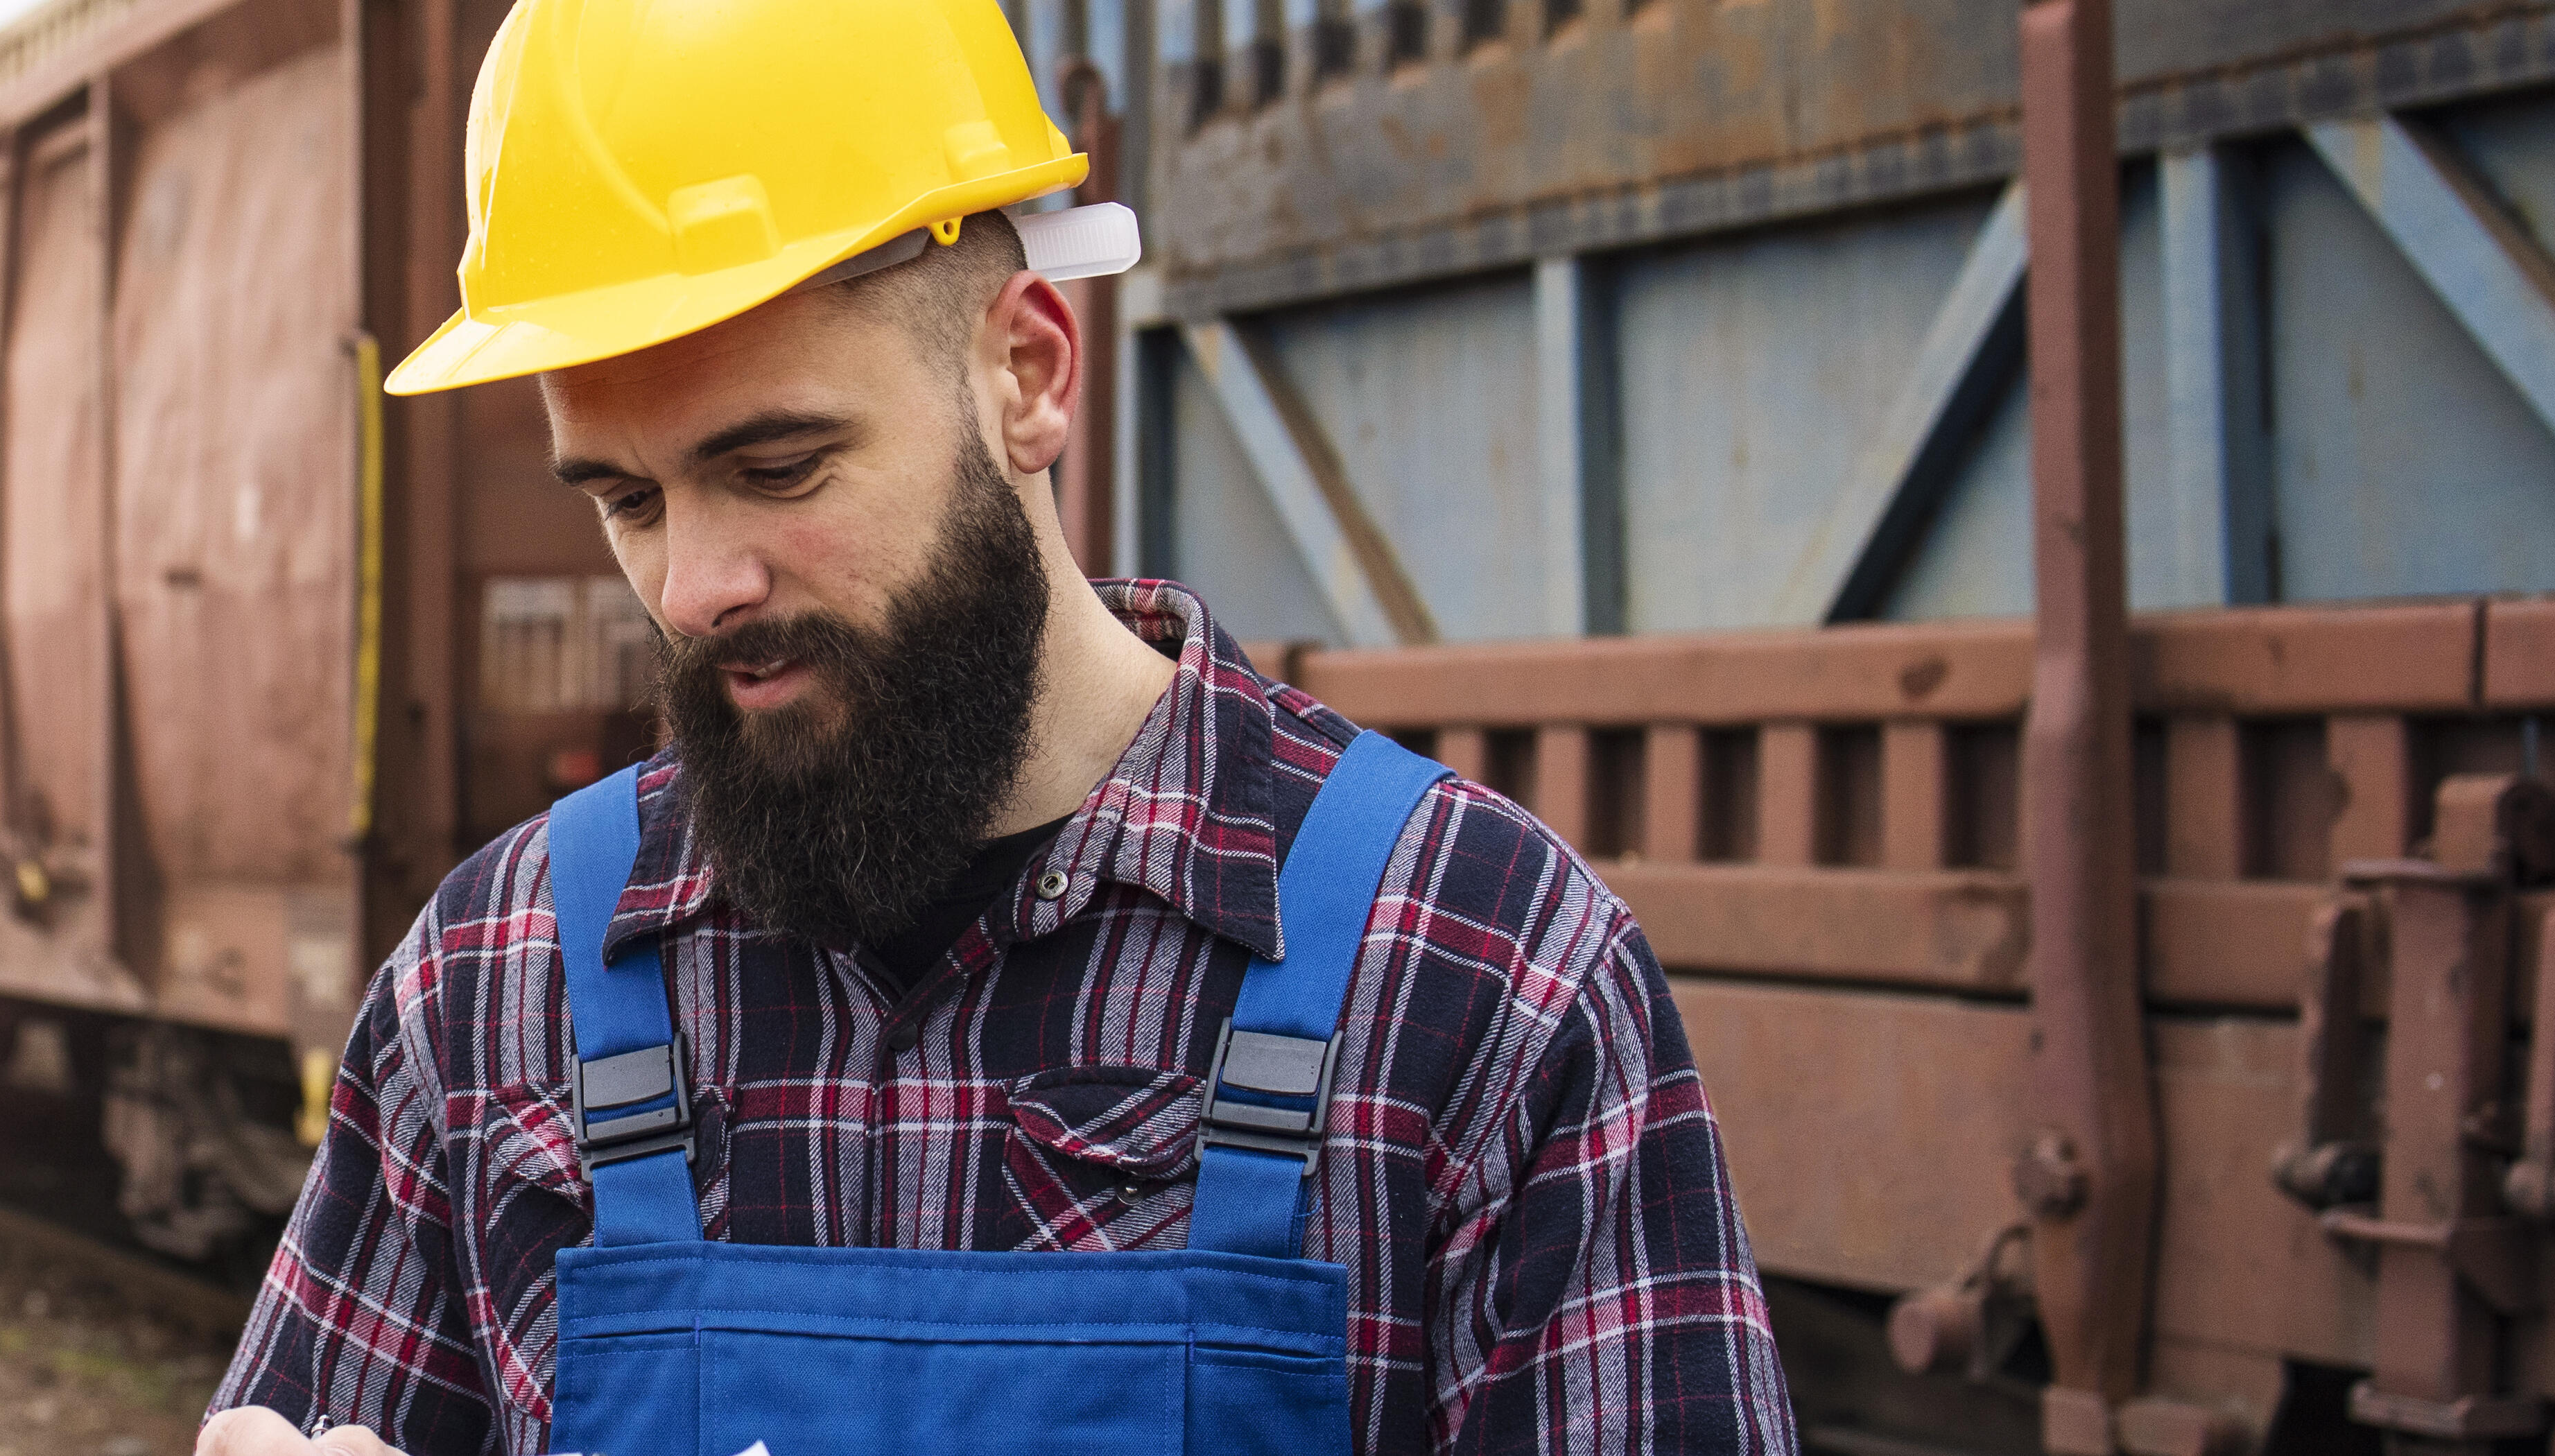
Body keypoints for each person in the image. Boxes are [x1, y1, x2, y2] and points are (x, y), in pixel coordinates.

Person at [196, 1, 1794, 1453]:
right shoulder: (496, 989)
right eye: (626, 497)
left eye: (779, 467)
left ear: (1025, 370)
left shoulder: (1475, 971)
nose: (693, 586)